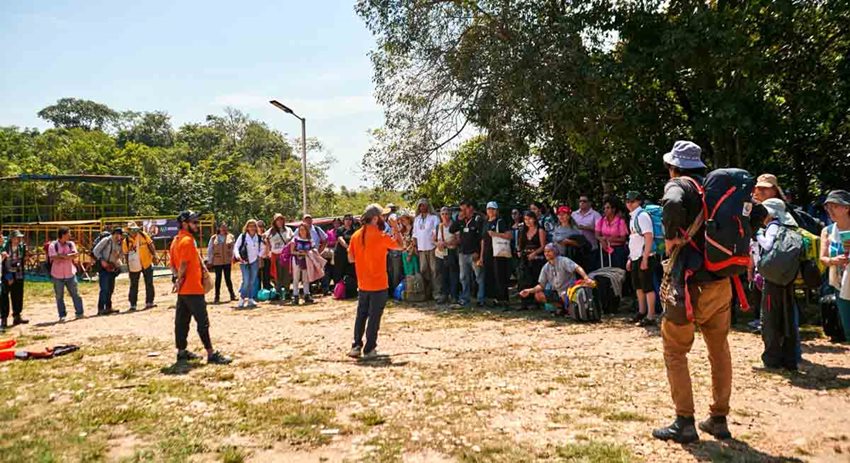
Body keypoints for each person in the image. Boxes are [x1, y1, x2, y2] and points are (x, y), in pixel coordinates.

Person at [654, 140, 732, 444]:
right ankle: (719, 418)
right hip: (721, 280)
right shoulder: (716, 190)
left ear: (674, 166)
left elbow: (672, 205)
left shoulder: (680, 186)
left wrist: (672, 239)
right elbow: (756, 213)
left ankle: (684, 422)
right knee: (718, 350)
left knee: (675, 350)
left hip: (689, 282)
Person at [170, 210, 231, 365]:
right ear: (185, 223)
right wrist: (181, 279)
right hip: (192, 288)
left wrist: (177, 280)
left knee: (181, 321)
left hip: (184, 290)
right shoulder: (188, 241)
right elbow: (183, 263)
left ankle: (181, 352)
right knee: (202, 322)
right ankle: (211, 354)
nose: (197, 225)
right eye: (194, 222)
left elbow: (173, 265)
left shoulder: (175, 240)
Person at [347, 204, 404, 360]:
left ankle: (356, 346)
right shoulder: (380, 236)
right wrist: (396, 229)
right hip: (378, 283)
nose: (384, 219)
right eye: (382, 216)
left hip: (363, 283)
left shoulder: (355, 236)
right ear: (374, 218)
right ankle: (370, 348)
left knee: (361, 315)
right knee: (374, 317)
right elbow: (401, 246)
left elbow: (350, 258)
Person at [756, 199, 800, 370]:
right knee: (786, 319)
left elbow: (767, 245)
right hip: (786, 278)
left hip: (773, 280)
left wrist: (757, 234)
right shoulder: (789, 228)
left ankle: (772, 358)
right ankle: (789, 358)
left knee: (770, 319)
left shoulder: (773, 226)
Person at [519, 243, 591, 310]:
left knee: (563, 294)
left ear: (555, 252)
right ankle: (562, 308)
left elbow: (577, 268)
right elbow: (541, 285)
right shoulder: (546, 267)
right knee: (538, 295)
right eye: (545, 252)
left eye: (549, 251)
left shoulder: (564, 260)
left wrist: (586, 278)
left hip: (570, 290)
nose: (546, 253)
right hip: (557, 292)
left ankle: (570, 309)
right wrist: (529, 291)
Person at [625, 191, 658, 326]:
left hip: (645, 256)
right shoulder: (633, 217)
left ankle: (651, 315)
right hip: (635, 256)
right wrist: (630, 258)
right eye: (627, 201)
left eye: (632, 201)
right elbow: (634, 239)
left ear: (639, 201)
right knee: (638, 285)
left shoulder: (642, 216)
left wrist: (645, 258)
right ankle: (642, 311)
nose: (629, 203)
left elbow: (648, 237)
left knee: (647, 286)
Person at [821, 190, 850, 339]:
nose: (830, 210)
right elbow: (823, 258)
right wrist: (834, 261)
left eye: (834, 206)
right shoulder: (827, 231)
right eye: (828, 207)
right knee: (848, 327)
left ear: (847, 208)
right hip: (840, 284)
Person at [450, 200, 487, 308]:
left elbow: (481, 238)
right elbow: (452, 229)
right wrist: (458, 220)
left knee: (479, 277)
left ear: (471, 208)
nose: (463, 211)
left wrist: (478, 252)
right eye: (461, 209)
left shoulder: (478, 219)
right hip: (463, 252)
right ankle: (465, 298)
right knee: (463, 277)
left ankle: (481, 299)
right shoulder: (461, 220)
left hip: (474, 253)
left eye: (464, 208)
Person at [47, 227, 84, 322]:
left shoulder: (71, 244)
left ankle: (79, 313)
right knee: (59, 296)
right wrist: (67, 256)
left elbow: (75, 255)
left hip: (70, 273)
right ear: (63, 235)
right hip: (57, 275)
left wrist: (61, 256)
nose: (70, 235)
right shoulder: (53, 245)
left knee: (75, 294)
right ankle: (62, 315)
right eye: (69, 233)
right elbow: (53, 258)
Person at [123, 221, 158, 311]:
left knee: (149, 283)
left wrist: (154, 255)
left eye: (135, 229)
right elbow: (126, 255)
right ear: (129, 231)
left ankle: (149, 302)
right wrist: (129, 267)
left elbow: (150, 245)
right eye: (132, 230)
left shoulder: (143, 235)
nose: (134, 231)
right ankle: (133, 305)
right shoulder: (126, 241)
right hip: (134, 265)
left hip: (146, 263)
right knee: (134, 285)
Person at [517, 211, 547, 310]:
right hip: (525, 258)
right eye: (525, 219)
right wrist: (519, 252)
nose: (528, 221)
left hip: (537, 258)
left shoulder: (540, 230)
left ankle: (535, 302)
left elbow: (543, 246)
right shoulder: (523, 231)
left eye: (530, 219)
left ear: (534, 219)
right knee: (523, 279)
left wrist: (535, 253)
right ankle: (524, 302)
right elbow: (520, 245)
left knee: (535, 279)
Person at [413, 199, 442, 301]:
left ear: (428, 206)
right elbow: (415, 234)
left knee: (435, 270)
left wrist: (435, 243)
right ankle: (426, 293)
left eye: (424, 205)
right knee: (423, 270)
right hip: (421, 248)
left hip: (432, 247)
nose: (422, 208)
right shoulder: (417, 219)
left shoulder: (434, 218)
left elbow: (436, 231)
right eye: (420, 206)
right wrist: (415, 246)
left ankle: (437, 293)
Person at [484, 201, 512, 306]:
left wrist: (495, 234)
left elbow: (509, 235)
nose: (490, 211)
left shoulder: (500, 221)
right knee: (490, 276)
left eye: (492, 209)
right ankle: (494, 298)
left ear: (496, 210)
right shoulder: (486, 222)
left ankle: (503, 299)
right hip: (488, 253)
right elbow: (483, 239)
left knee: (500, 275)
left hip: (499, 253)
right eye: (488, 209)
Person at [234, 219, 265, 308]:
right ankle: (242, 298)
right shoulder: (243, 236)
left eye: (254, 226)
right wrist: (237, 256)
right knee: (246, 280)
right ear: (247, 227)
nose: (252, 228)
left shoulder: (259, 237)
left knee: (252, 281)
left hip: (254, 261)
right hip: (244, 261)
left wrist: (259, 256)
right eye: (250, 226)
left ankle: (251, 298)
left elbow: (263, 248)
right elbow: (236, 247)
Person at [1, 230, 28, 329]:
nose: (18, 239)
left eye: (19, 237)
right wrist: (8, 277)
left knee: (18, 295)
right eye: (17, 237)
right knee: (4, 297)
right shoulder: (4, 247)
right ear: (11, 238)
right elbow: (3, 265)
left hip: (19, 274)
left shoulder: (22, 246)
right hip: (6, 275)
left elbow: (21, 260)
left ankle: (17, 316)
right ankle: (4, 319)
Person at [93, 228, 123, 316]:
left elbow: (122, 254)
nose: (118, 236)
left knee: (110, 289)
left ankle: (108, 308)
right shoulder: (106, 240)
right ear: (113, 234)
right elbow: (95, 251)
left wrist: (118, 256)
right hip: (104, 268)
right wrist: (102, 260)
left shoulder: (119, 243)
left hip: (112, 268)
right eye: (116, 234)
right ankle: (101, 309)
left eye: (119, 234)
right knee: (104, 289)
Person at [206, 222, 238, 304]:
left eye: (225, 227)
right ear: (219, 228)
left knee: (228, 279)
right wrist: (210, 260)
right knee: (218, 279)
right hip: (217, 261)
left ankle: (232, 295)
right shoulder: (213, 238)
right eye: (222, 227)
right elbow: (210, 250)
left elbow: (234, 248)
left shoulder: (231, 237)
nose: (224, 228)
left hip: (227, 261)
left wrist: (234, 258)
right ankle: (217, 297)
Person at [265, 214, 294, 301]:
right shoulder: (270, 231)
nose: (279, 221)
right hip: (275, 254)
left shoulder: (288, 229)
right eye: (277, 220)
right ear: (274, 221)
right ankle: (278, 292)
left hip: (285, 255)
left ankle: (287, 292)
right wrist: (268, 250)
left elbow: (292, 238)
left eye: (281, 219)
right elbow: (264, 238)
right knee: (277, 274)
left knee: (286, 274)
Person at [596, 196, 629, 270]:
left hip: (618, 251)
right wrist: (601, 240)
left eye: (608, 208)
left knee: (618, 271)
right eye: (604, 208)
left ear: (613, 209)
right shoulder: (601, 221)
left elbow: (623, 239)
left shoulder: (621, 222)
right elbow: (597, 234)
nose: (605, 210)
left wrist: (608, 239)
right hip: (604, 250)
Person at [434, 206, 460, 304]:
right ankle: (444, 295)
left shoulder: (454, 225)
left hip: (451, 252)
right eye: (443, 214)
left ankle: (454, 296)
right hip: (440, 254)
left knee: (453, 275)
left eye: (447, 213)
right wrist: (438, 244)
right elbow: (433, 239)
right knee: (443, 275)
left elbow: (458, 239)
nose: (445, 216)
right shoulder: (438, 226)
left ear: (450, 214)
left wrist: (448, 244)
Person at [572, 195, 602, 269]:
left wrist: (586, 228)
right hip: (576, 248)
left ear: (589, 203)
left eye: (584, 201)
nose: (582, 203)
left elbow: (601, 230)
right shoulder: (573, 214)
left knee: (591, 271)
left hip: (591, 248)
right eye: (580, 201)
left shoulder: (596, 215)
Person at [289, 224, 315, 305]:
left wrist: (308, 253)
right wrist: (299, 253)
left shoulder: (310, 240)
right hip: (296, 260)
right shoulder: (295, 239)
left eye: (304, 229)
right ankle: (295, 295)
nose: (302, 231)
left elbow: (313, 250)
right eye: (301, 230)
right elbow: (292, 251)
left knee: (306, 278)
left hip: (307, 261)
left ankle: (307, 294)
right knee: (296, 278)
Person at [384, 204, 404, 294]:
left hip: (396, 251)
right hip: (388, 251)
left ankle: (395, 291)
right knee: (390, 271)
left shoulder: (395, 220)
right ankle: (390, 290)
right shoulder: (385, 222)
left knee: (396, 272)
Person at [334, 214, 357, 284]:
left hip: (351, 255)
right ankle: (339, 289)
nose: (348, 221)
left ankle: (351, 288)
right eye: (346, 219)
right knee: (339, 272)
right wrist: (348, 247)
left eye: (350, 219)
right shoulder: (340, 229)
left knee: (351, 272)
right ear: (343, 221)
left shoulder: (354, 230)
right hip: (341, 254)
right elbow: (340, 240)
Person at [256, 220, 272, 293]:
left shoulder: (266, 235)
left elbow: (269, 246)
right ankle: (258, 290)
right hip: (258, 258)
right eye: (259, 226)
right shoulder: (254, 236)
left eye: (262, 226)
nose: (260, 228)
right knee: (258, 276)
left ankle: (267, 290)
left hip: (266, 258)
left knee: (266, 275)